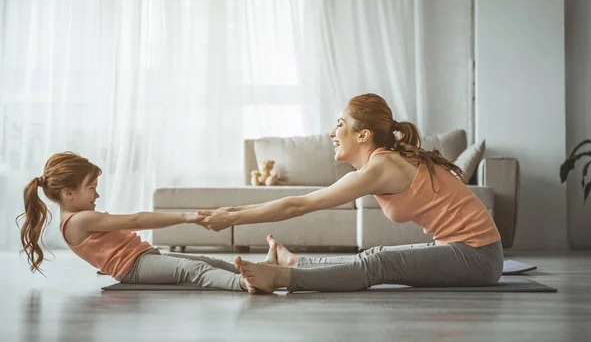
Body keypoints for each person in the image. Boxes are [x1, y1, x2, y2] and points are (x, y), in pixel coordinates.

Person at [198, 93, 504, 294]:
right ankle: (295, 264)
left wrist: (233, 216)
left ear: (363, 135)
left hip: (478, 256)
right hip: (463, 250)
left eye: (340, 124)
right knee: (375, 256)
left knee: (380, 263)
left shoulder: (382, 167)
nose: (332, 133)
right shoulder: (383, 162)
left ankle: (279, 278)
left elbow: (299, 204)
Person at [16, 151, 262, 292]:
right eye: (91, 188)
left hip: (144, 258)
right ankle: (243, 284)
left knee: (208, 261)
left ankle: (261, 271)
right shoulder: (79, 221)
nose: (97, 195)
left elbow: (110, 241)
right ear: (68, 193)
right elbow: (136, 219)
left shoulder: (79, 219)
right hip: (134, 268)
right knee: (193, 270)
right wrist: (187, 217)